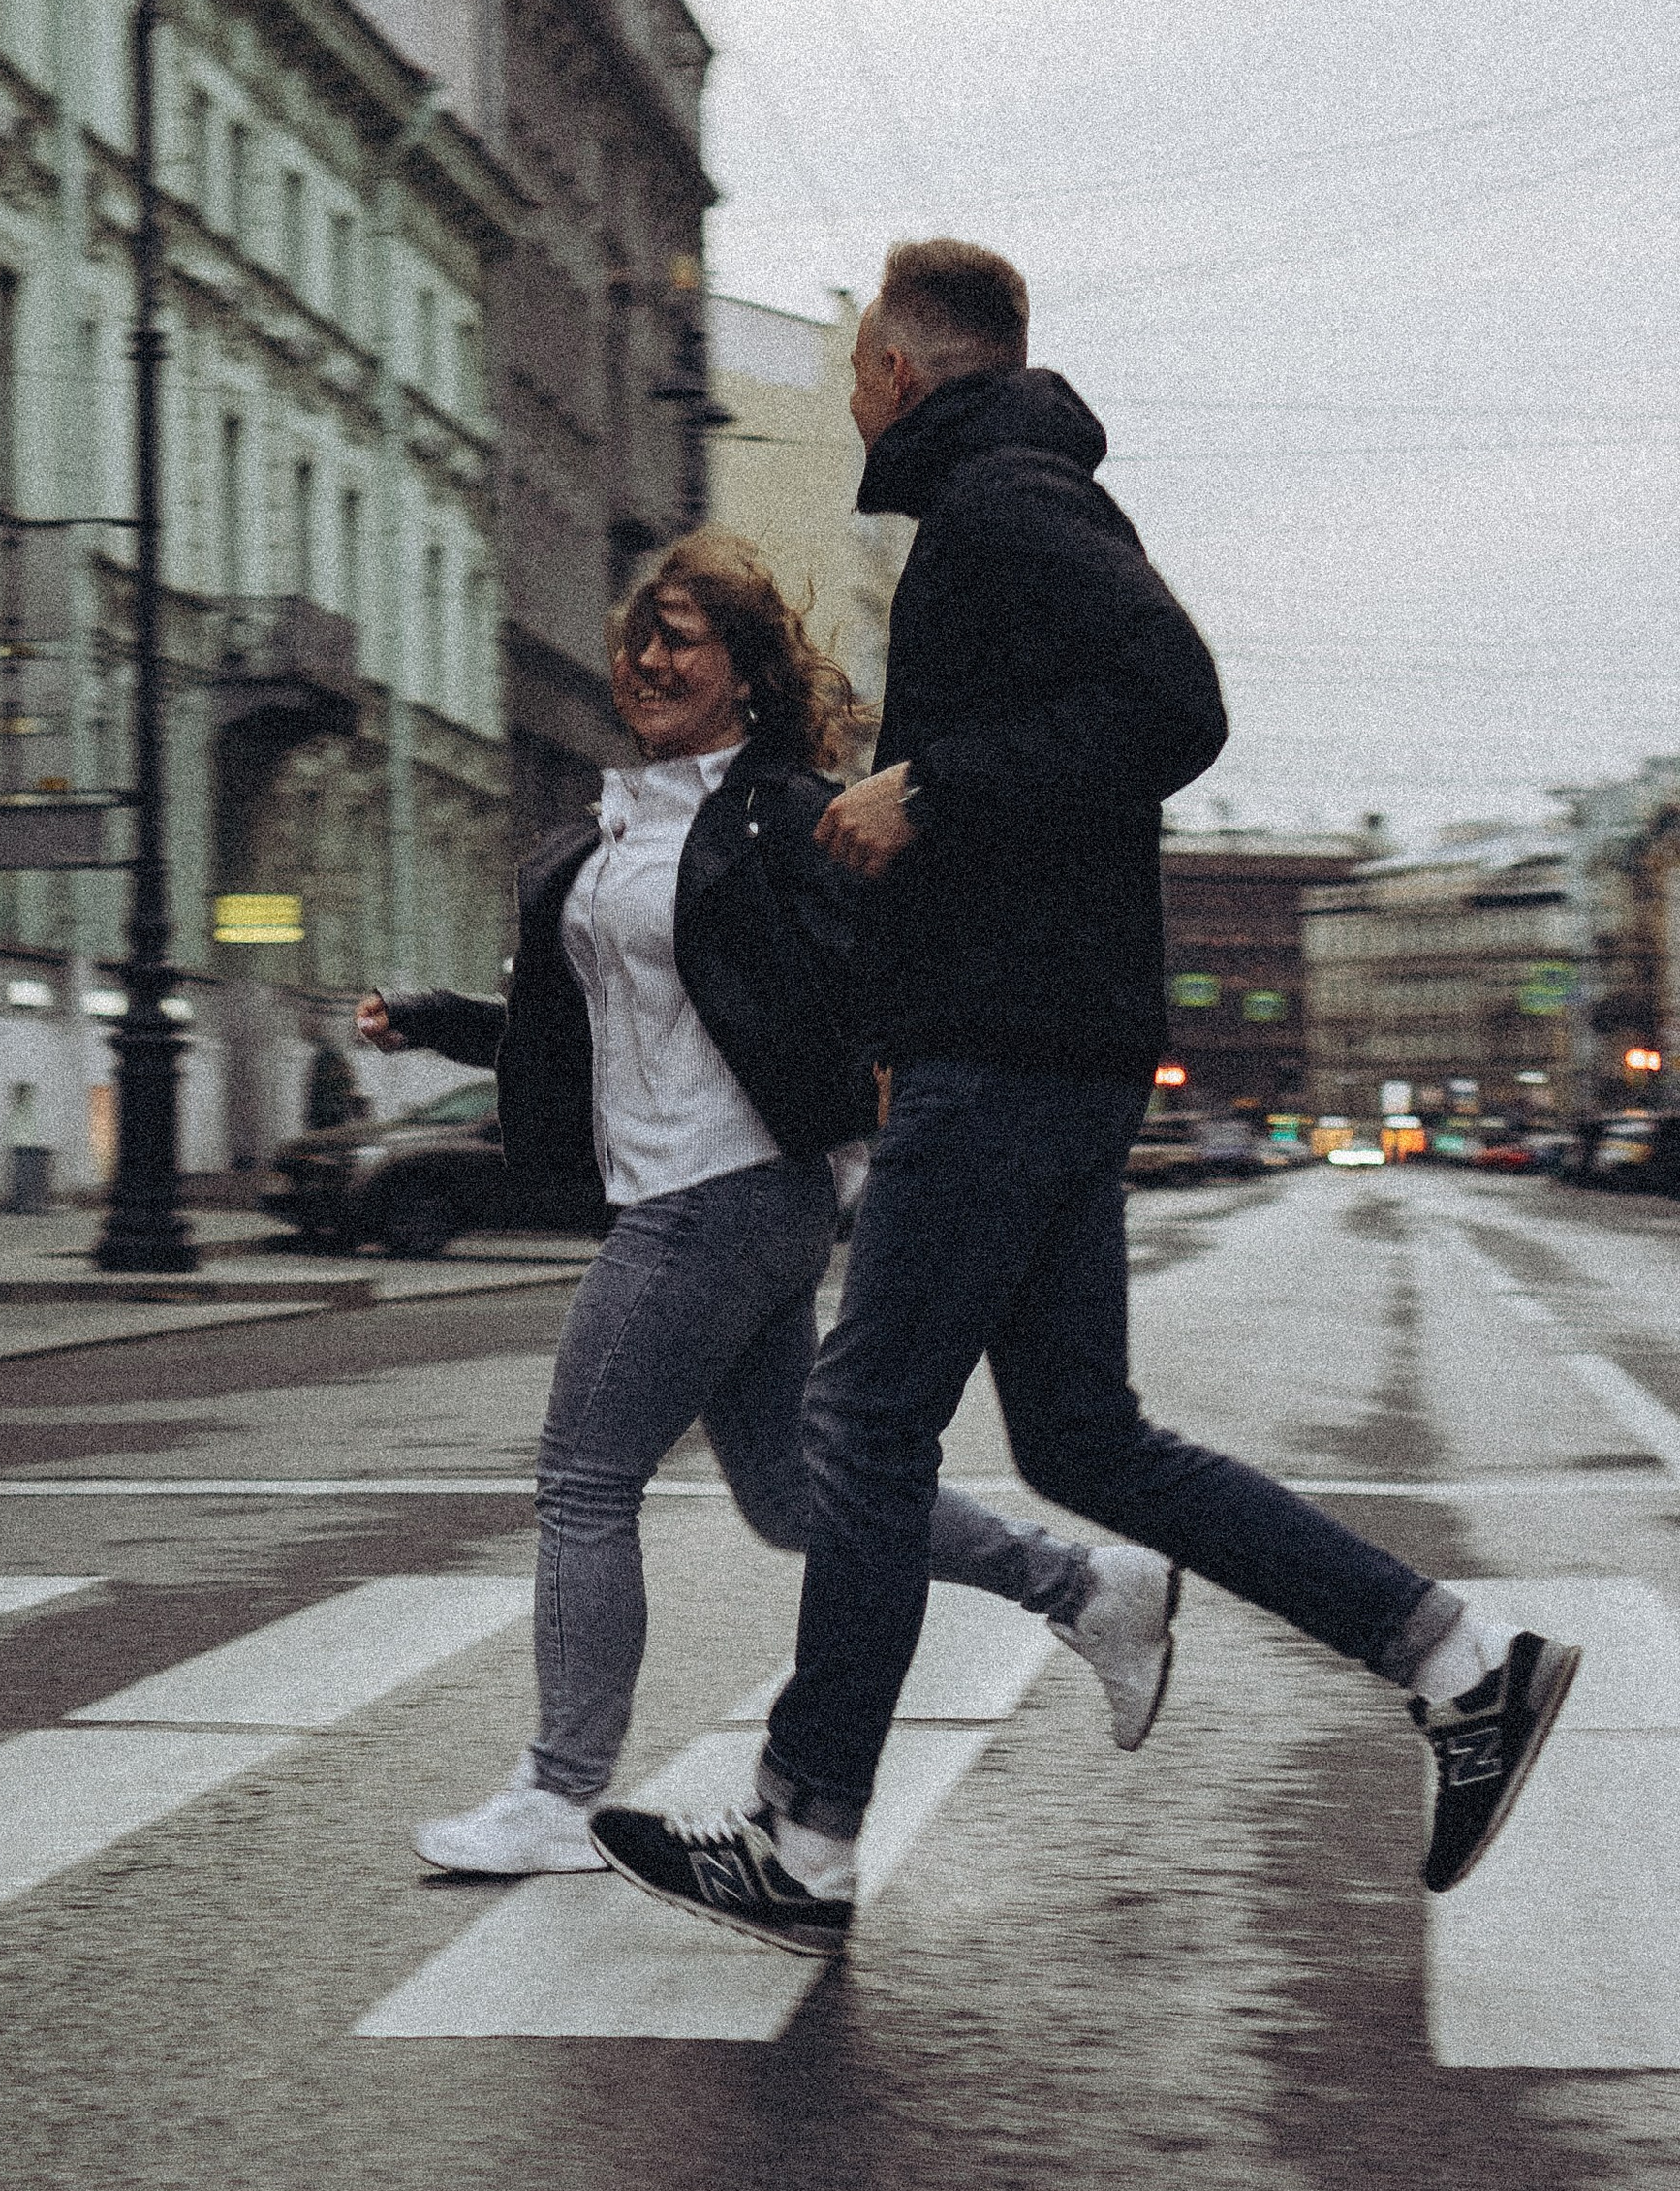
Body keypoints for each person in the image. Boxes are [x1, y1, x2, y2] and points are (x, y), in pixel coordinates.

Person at [591, 242, 1581, 1956]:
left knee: (862, 1426)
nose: (847, 398)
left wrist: (934, 788)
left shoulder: (1003, 506)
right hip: (1044, 1038)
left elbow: (1176, 704)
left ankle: (807, 1831)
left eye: (858, 373)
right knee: (1080, 1438)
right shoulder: (1010, 496)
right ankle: (1456, 1661)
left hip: (1012, 1046)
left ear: (899, 369)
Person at [360, 526, 1180, 1879]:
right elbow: (585, 1018)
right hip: (695, 1192)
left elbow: (888, 964)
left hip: (728, 1186)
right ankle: (1088, 1588)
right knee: (800, 1498)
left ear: (746, 672)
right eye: (641, 638)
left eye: (683, 636)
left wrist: (926, 1103)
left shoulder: (785, 816)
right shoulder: (610, 828)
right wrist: (440, 1022)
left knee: (581, 1478)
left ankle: (561, 1795)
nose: (649, 659)